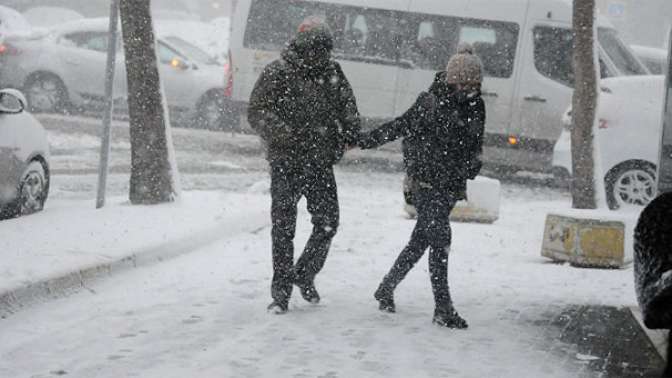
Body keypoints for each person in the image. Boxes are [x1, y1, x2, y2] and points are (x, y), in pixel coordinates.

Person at [358, 44, 485, 328]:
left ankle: (386, 287)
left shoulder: (477, 104)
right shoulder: (429, 102)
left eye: (476, 84)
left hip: (450, 185)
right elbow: (399, 126)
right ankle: (443, 308)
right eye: (466, 83)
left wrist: (472, 165)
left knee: (421, 241)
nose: (472, 89)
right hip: (426, 184)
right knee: (440, 240)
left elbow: (475, 143)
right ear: (453, 80)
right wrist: (364, 140)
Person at [248, 16, 361, 314]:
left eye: (324, 49)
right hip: (286, 161)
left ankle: (305, 273)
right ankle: (281, 292)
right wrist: (285, 134)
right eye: (315, 49)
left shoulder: (333, 73)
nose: (319, 55)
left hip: (320, 162)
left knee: (328, 222)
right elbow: (256, 111)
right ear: (302, 47)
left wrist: (350, 130)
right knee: (283, 229)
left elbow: (348, 106)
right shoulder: (277, 72)